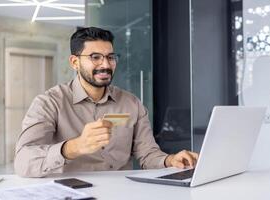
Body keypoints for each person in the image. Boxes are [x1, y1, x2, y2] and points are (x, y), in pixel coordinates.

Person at [14, 27, 198, 177]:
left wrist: (171, 160)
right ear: (74, 62)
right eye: (95, 57)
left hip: (122, 193)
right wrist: (74, 147)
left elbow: (148, 155)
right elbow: (23, 161)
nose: (106, 65)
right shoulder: (49, 103)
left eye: (110, 57)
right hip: (72, 193)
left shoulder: (131, 103)